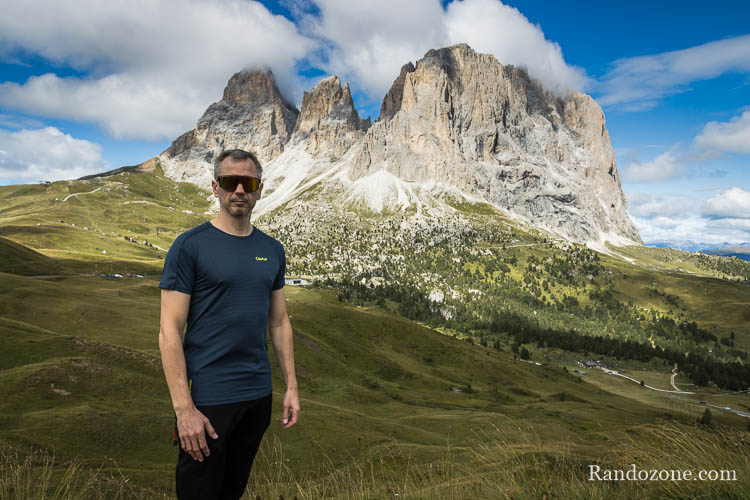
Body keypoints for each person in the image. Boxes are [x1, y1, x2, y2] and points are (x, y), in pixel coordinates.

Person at [158, 148, 299, 500]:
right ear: (215, 188)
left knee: (232, 491)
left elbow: (279, 322)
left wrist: (291, 386)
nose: (239, 190)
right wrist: (184, 410)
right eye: (229, 182)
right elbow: (169, 331)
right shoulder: (189, 246)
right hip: (208, 401)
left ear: (259, 189)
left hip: (257, 398)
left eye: (247, 183)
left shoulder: (273, 249)